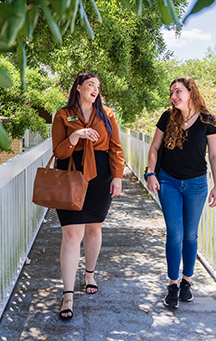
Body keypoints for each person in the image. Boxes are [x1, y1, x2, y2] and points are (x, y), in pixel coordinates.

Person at [51, 73, 124, 320]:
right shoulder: (63, 114)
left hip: (101, 175)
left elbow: (115, 147)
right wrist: (75, 136)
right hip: (71, 173)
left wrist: (118, 176)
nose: (95, 89)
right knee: (72, 233)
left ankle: (89, 273)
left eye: (98, 86)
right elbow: (58, 151)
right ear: (79, 87)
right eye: (90, 85)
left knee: (93, 229)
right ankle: (68, 294)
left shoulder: (107, 114)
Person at [145, 77, 216, 309]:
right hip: (168, 181)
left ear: (191, 92)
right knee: (175, 234)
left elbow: (215, 156)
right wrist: (150, 172)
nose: (173, 96)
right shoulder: (168, 118)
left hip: (197, 185)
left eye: (178, 91)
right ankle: (172, 285)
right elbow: (154, 147)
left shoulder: (209, 120)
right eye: (171, 93)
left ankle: (187, 281)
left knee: (190, 235)